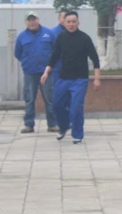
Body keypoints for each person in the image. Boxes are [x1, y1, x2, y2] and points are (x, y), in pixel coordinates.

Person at [40, 11, 100, 144]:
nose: (71, 24)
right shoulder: (61, 37)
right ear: (64, 23)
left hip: (80, 79)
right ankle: (64, 126)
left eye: (74, 22)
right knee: (57, 104)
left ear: (78, 23)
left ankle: (77, 134)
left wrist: (97, 79)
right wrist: (46, 72)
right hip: (63, 78)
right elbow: (54, 56)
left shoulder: (84, 38)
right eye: (69, 22)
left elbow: (95, 58)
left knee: (76, 108)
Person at [14, 11, 58, 133]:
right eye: (29, 20)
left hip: (46, 73)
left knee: (49, 99)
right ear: (26, 22)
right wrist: (27, 62)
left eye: (34, 19)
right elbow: (18, 53)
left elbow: (55, 50)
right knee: (29, 99)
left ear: (38, 20)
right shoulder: (22, 36)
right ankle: (29, 125)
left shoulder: (48, 33)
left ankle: (52, 124)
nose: (32, 22)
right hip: (30, 73)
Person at [51, 9, 71, 126]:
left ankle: (69, 120)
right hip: (57, 70)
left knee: (70, 96)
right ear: (59, 19)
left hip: (71, 70)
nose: (65, 20)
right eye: (63, 18)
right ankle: (58, 121)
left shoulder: (75, 34)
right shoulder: (53, 33)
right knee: (58, 96)